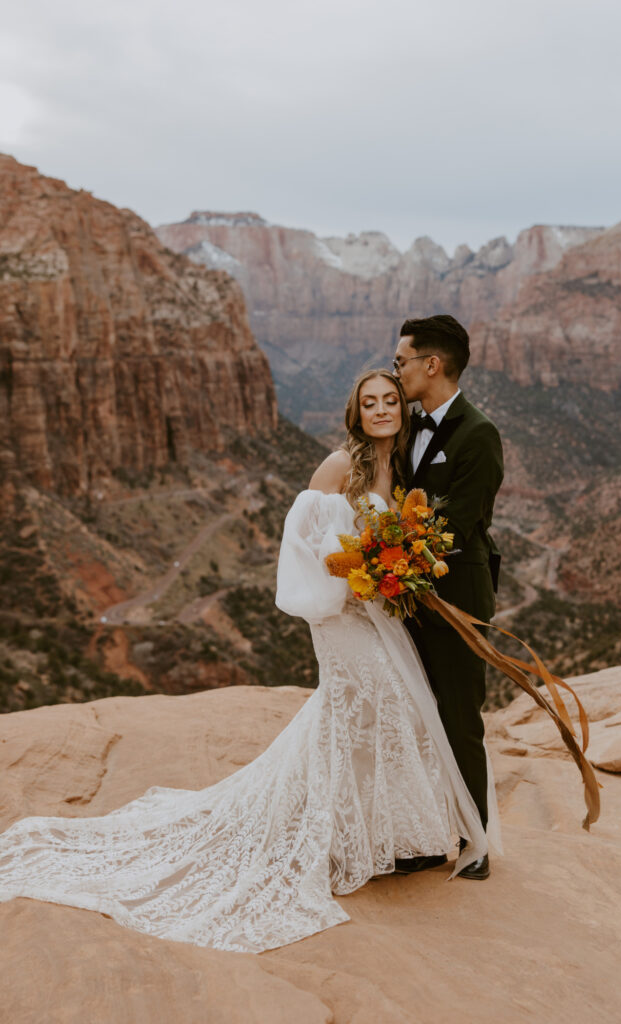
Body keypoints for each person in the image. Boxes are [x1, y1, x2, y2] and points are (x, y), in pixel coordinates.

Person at [0, 369, 500, 955]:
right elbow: (305, 543)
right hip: (343, 619)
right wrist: (355, 585)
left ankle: (389, 838)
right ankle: (353, 839)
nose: (383, 410)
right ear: (356, 412)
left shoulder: (404, 467)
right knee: (377, 707)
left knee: (392, 714)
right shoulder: (341, 466)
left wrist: (396, 573)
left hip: (382, 617)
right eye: (371, 402)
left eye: (391, 400)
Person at [393, 315, 504, 881]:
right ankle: (422, 834)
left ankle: (475, 841)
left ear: (431, 365)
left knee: (459, 718)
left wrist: (386, 552)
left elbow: (459, 522)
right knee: (413, 717)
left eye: (401, 361)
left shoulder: (478, 433)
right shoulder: (408, 426)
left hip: (456, 595)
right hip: (405, 598)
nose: (396, 371)